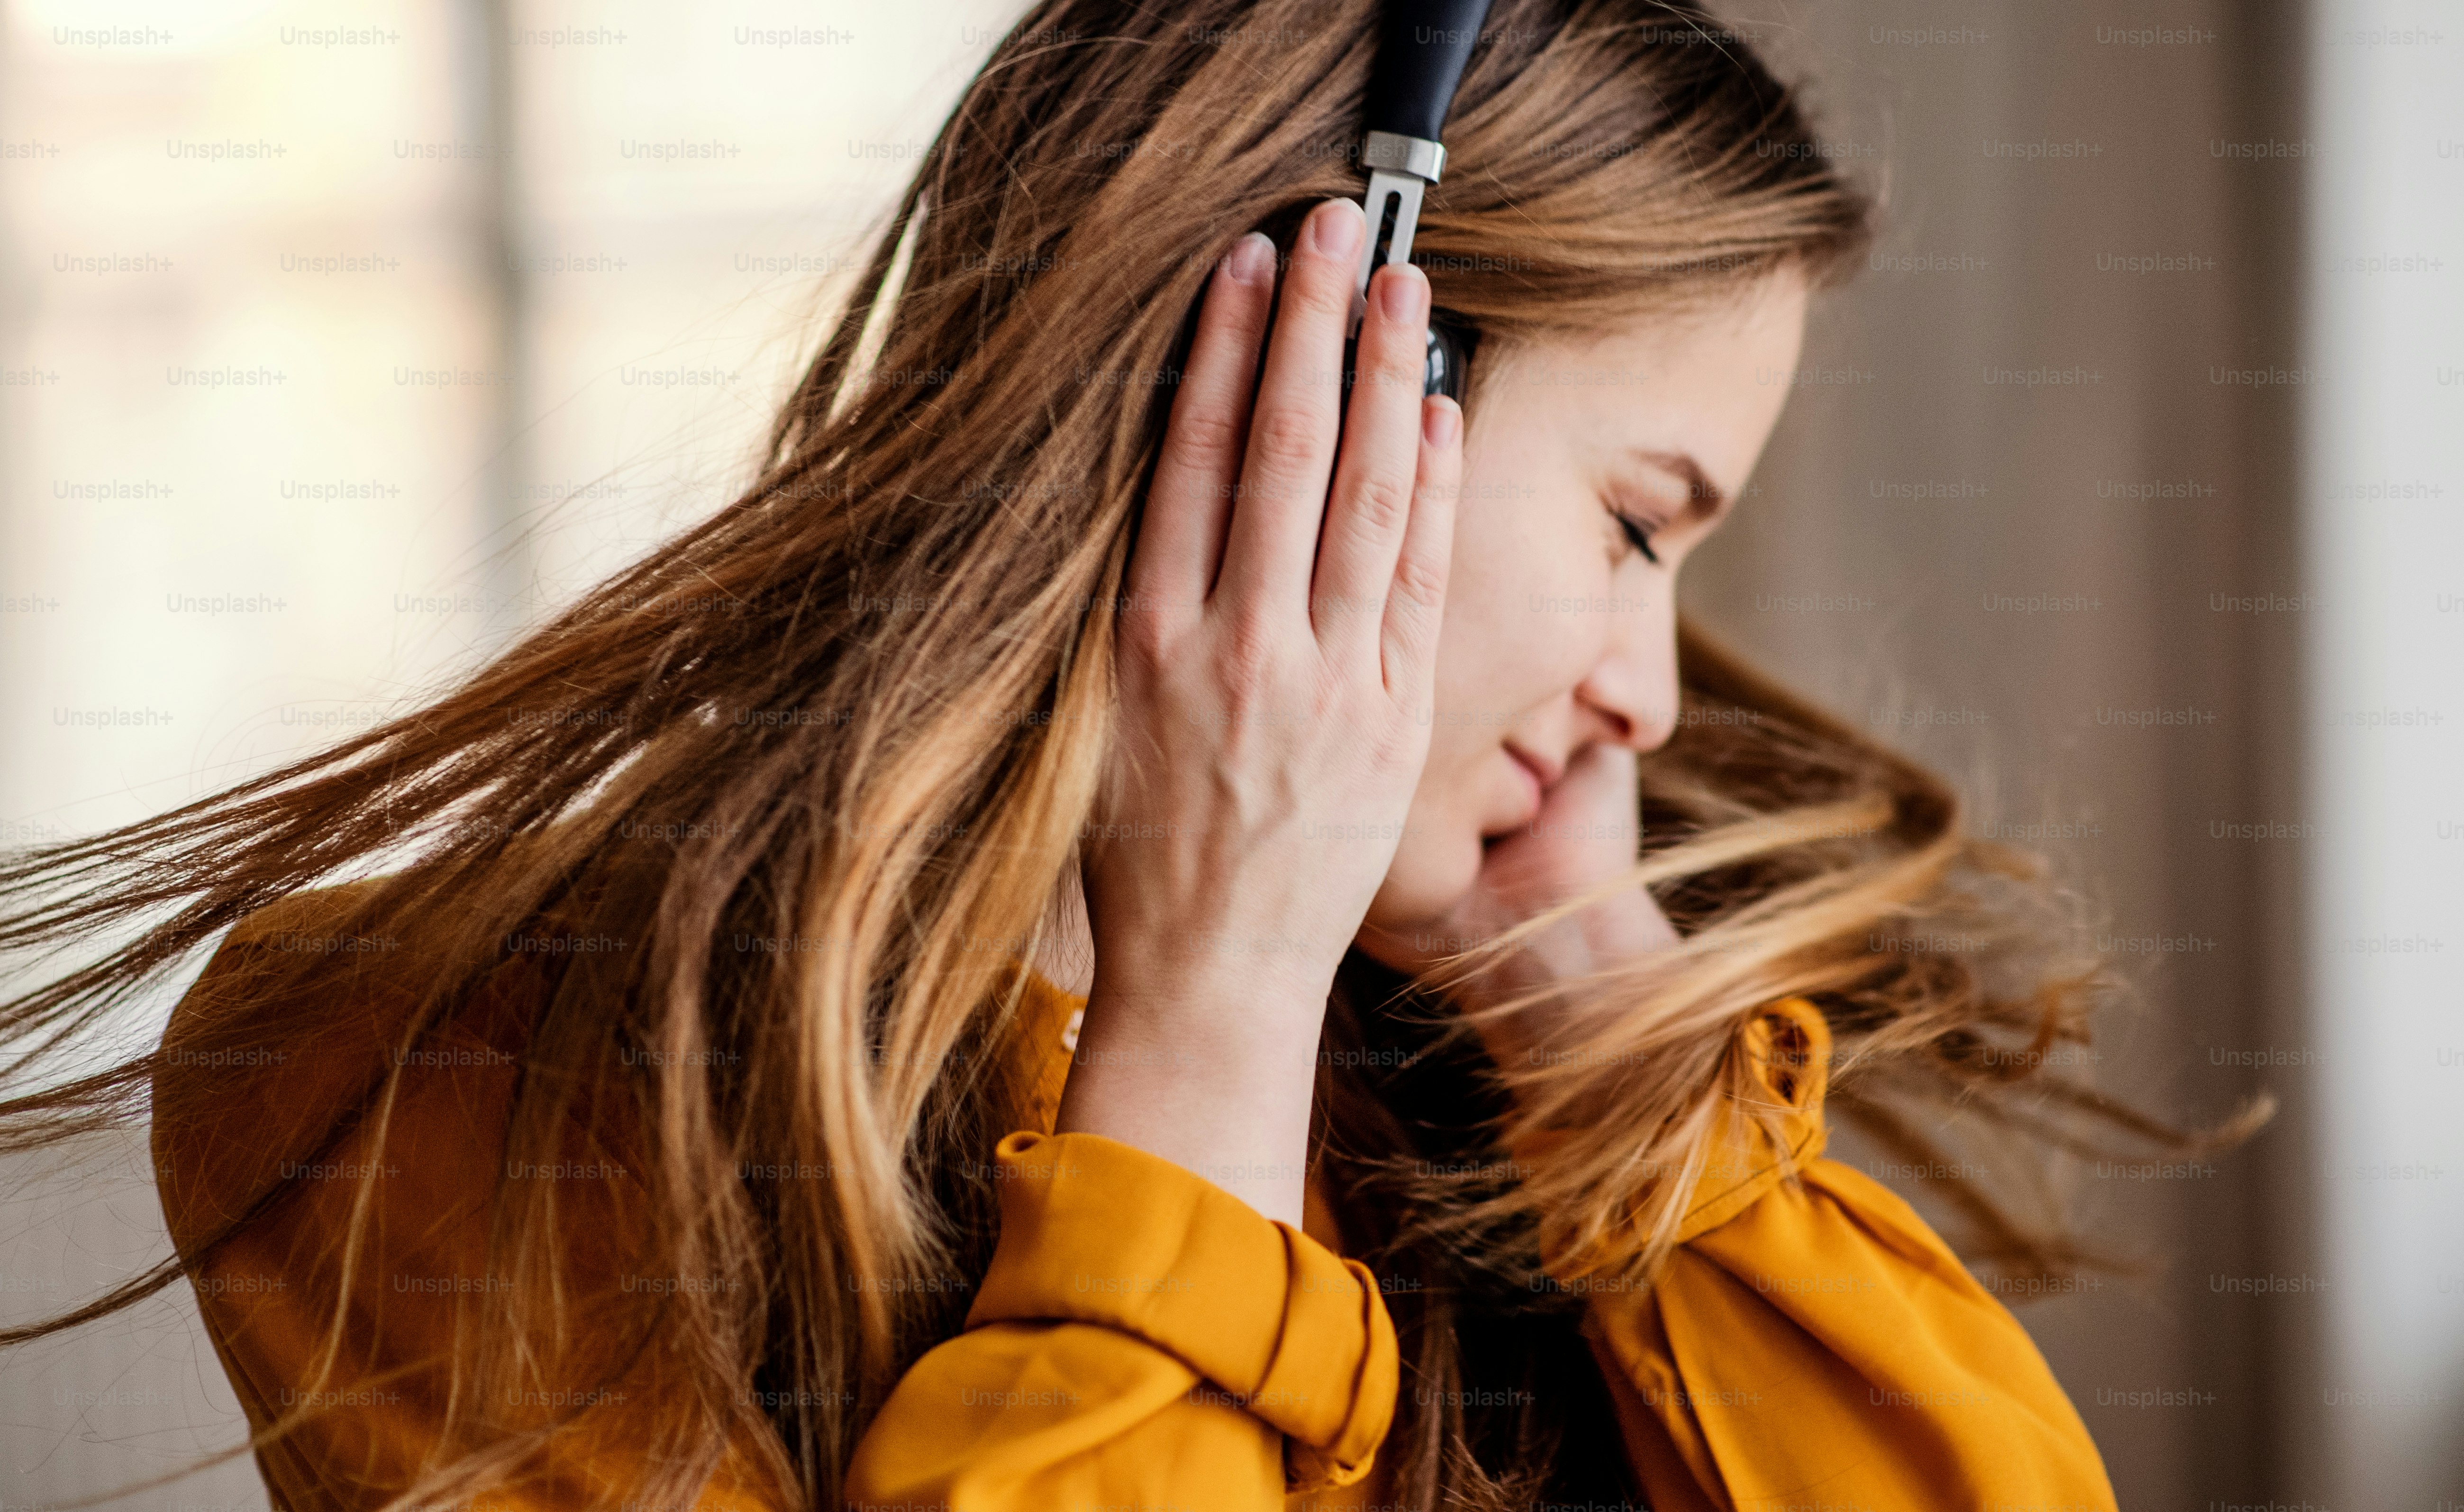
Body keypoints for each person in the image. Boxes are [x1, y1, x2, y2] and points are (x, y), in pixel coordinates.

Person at [0, 3, 2241, 1509]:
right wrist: (1211, 1026)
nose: (1655, 698)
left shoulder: (1515, 1065)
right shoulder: (409, 1069)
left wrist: (1595, 1039)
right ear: (1317, 400)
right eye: (1639, 525)